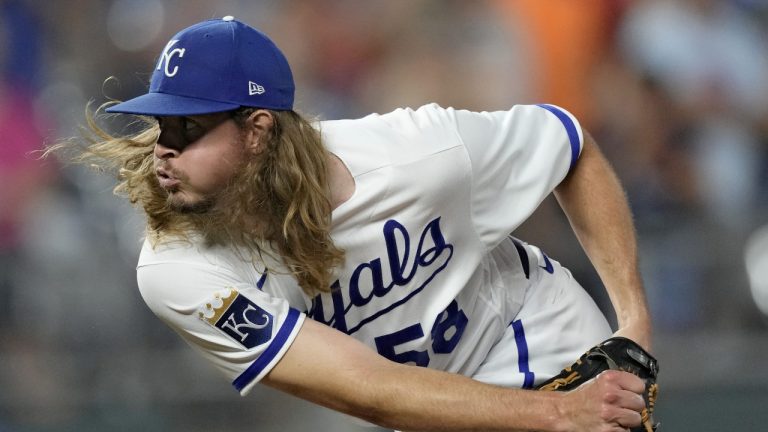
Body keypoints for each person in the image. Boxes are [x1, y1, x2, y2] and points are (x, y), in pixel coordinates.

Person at [57, 16, 653, 431]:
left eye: (188, 128)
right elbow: (369, 390)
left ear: (258, 130)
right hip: (428, 402)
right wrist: (556, 418)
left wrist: (633, 321)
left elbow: (572, 146)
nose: (163, 147)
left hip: (537, 338)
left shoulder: (420, 154)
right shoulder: (177, 267)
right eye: (161, 125)